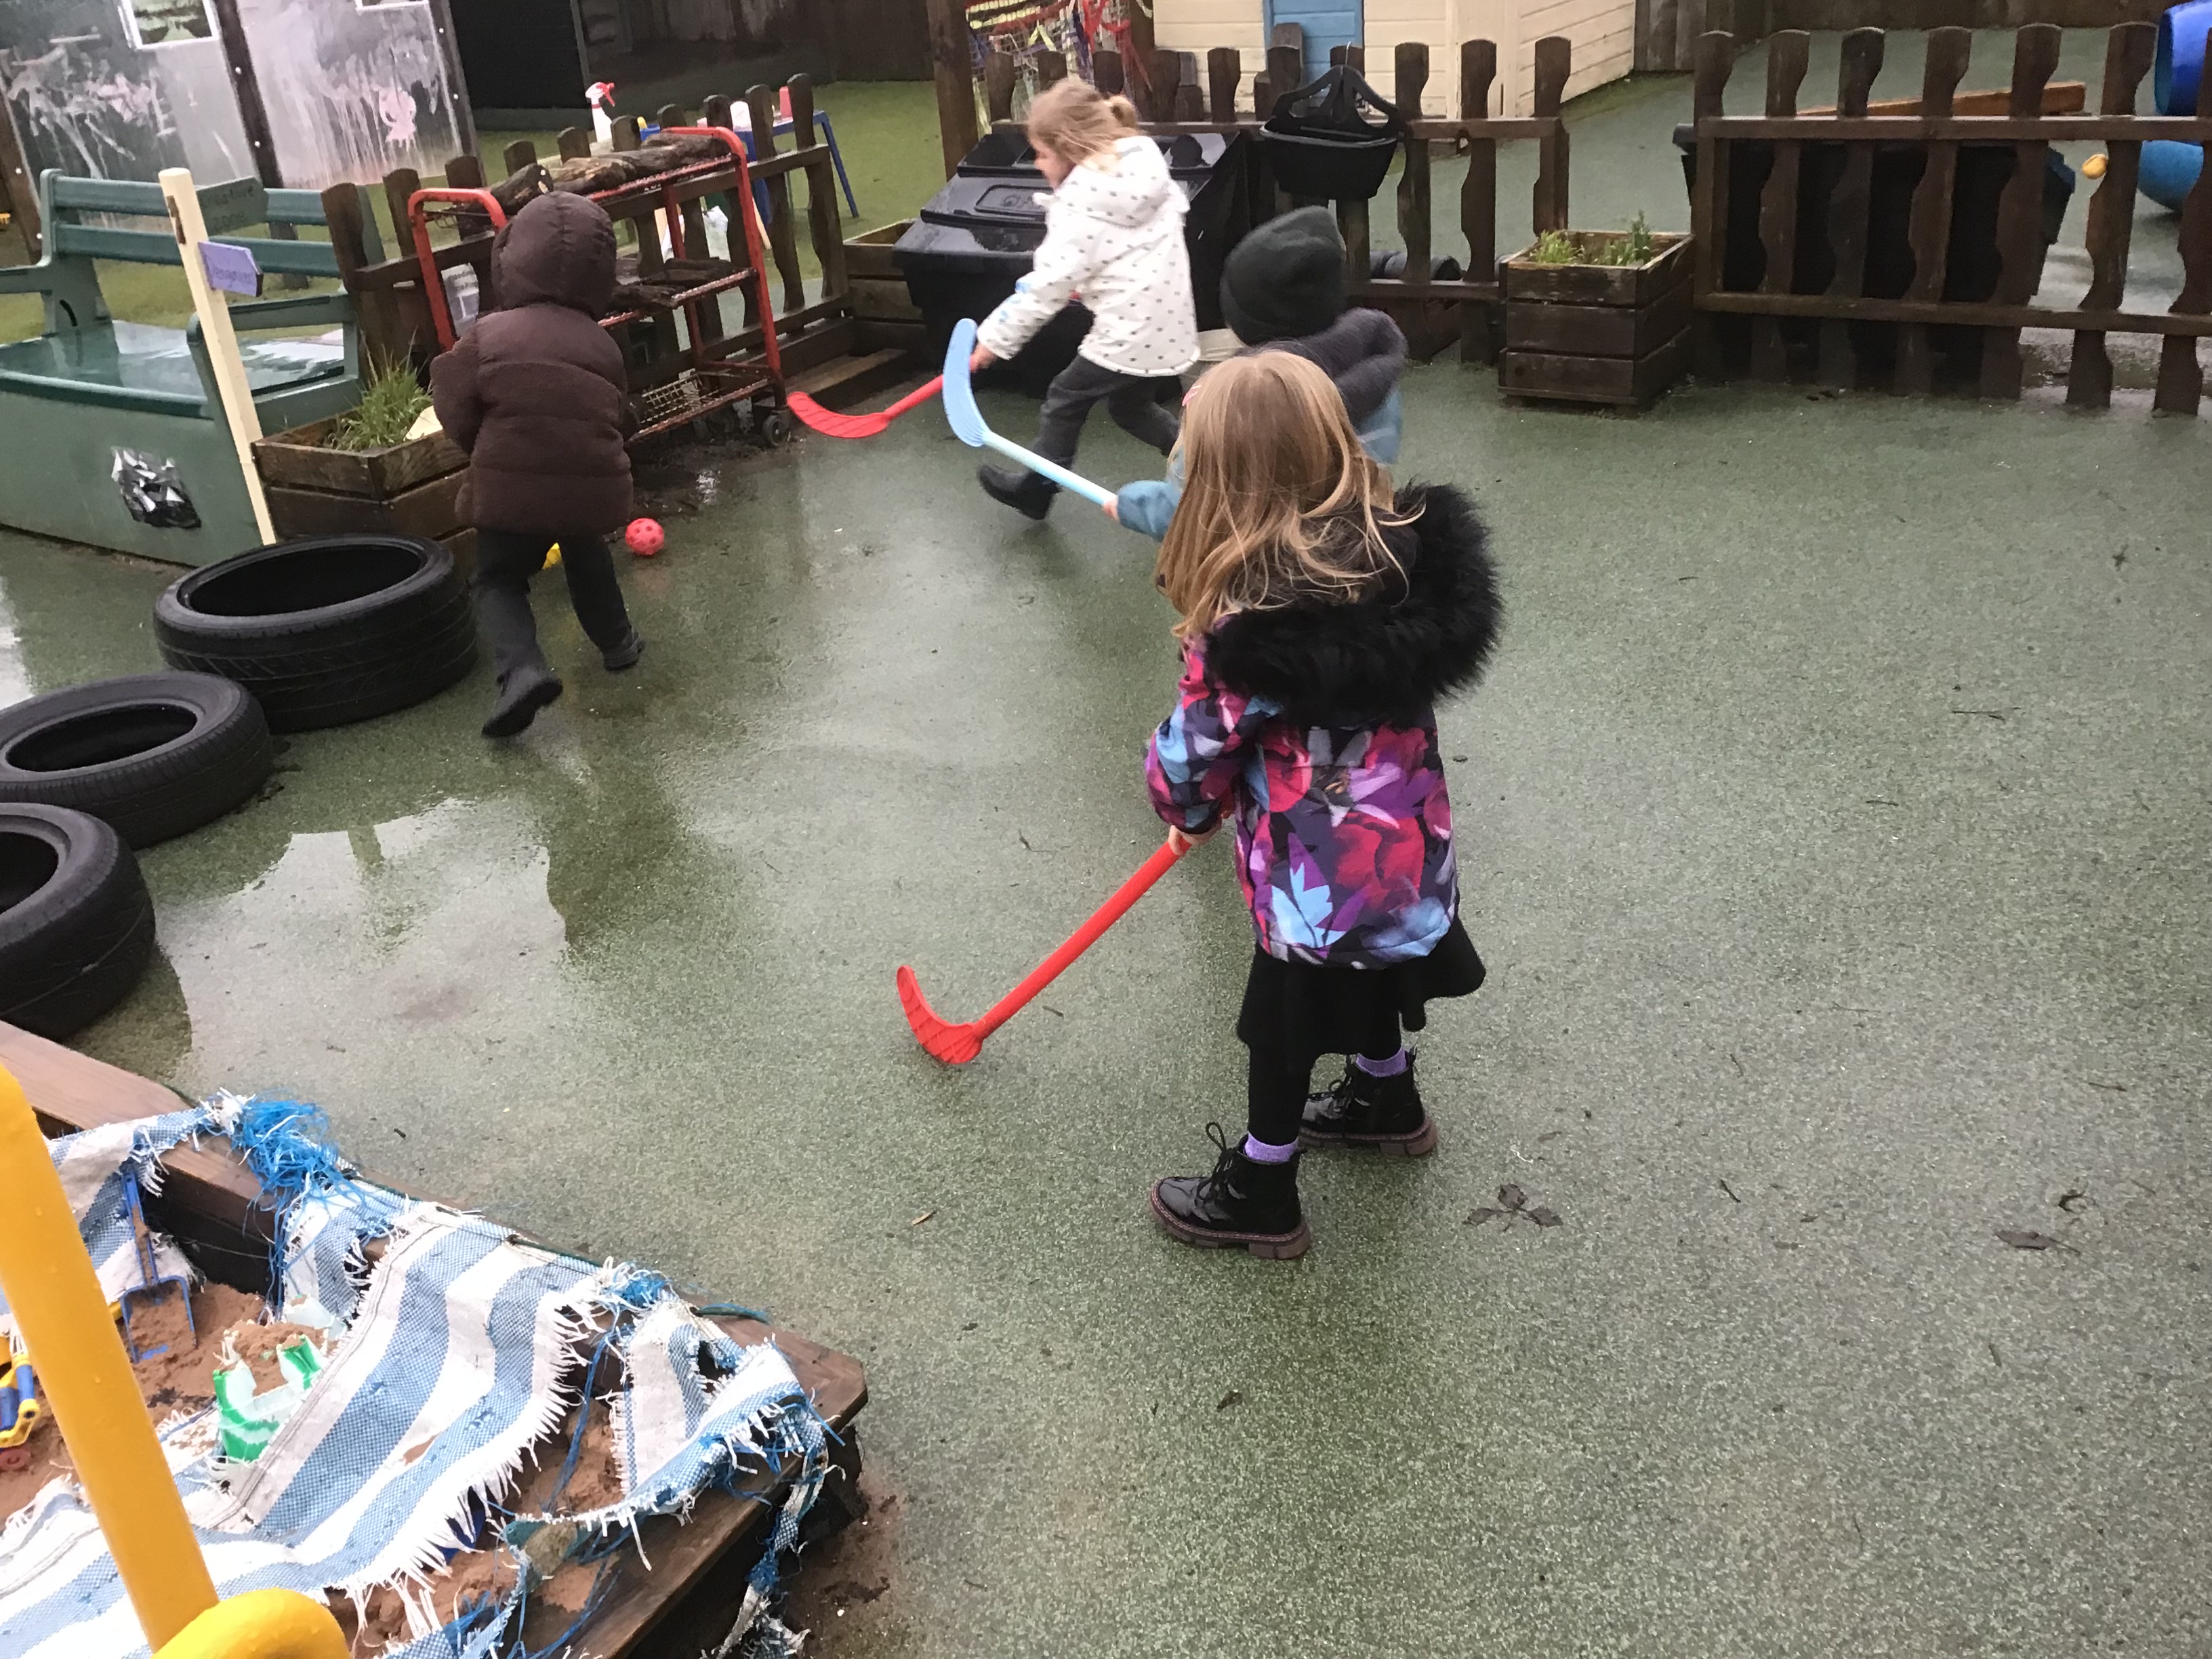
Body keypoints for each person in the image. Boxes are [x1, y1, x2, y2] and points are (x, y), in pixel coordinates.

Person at [1141, 353, 1501, 1260]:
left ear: (1220, 482)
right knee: (1375, 968)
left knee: (1281, 1028)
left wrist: (1181, 804)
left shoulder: (1252, 629)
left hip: (1313, 884)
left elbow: (1196, 751)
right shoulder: (1400, 567)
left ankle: (1262, 1190)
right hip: (1405, 854)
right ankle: (1386, 1094)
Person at [431, 190, 644, 739]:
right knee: (586, 552)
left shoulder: (488, 336)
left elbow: (452, 398)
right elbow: (619, 414)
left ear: (513, 259)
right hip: (588, 486)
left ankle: (521, 672)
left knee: (498, 577)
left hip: (510, 486)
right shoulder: (602, 346)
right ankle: (619, 644)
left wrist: (479, 446)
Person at [970, 79, 1197, 520]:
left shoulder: (1079, 205)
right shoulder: (1144, 169)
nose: (1038, 164)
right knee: (1130, 407)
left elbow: (1045, 289)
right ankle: (1205, 464)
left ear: (1072, 150)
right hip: (1171, 325)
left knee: (1065, 398)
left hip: (1128, 334)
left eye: (1042, 154)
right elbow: (1138, 246)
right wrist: (1099, 276)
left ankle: (1037, 490)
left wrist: (993, 342)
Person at [1113, 207, 1407, 541]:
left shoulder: (1238, 401)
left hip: (1265, 557)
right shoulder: (1371, 367)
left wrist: (1133, 505)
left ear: (1246, 323)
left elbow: (1192, 508)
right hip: (1352, 537)